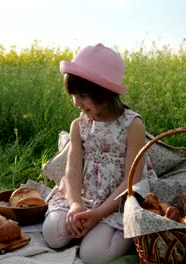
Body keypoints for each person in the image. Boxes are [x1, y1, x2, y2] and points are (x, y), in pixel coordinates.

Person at [42, 43, 157, 264]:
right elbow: (73, 168)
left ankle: (116, 234)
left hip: (116, 201)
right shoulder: (79, 125)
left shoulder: (132, 124)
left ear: (104, 93)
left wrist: (99, 214)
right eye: (73, 96)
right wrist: (76, 204)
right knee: (52, 234)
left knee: (93, 255)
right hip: (83, 195)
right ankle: (83, 226)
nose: (76, 103)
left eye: (83, 95)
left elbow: (132, 179)